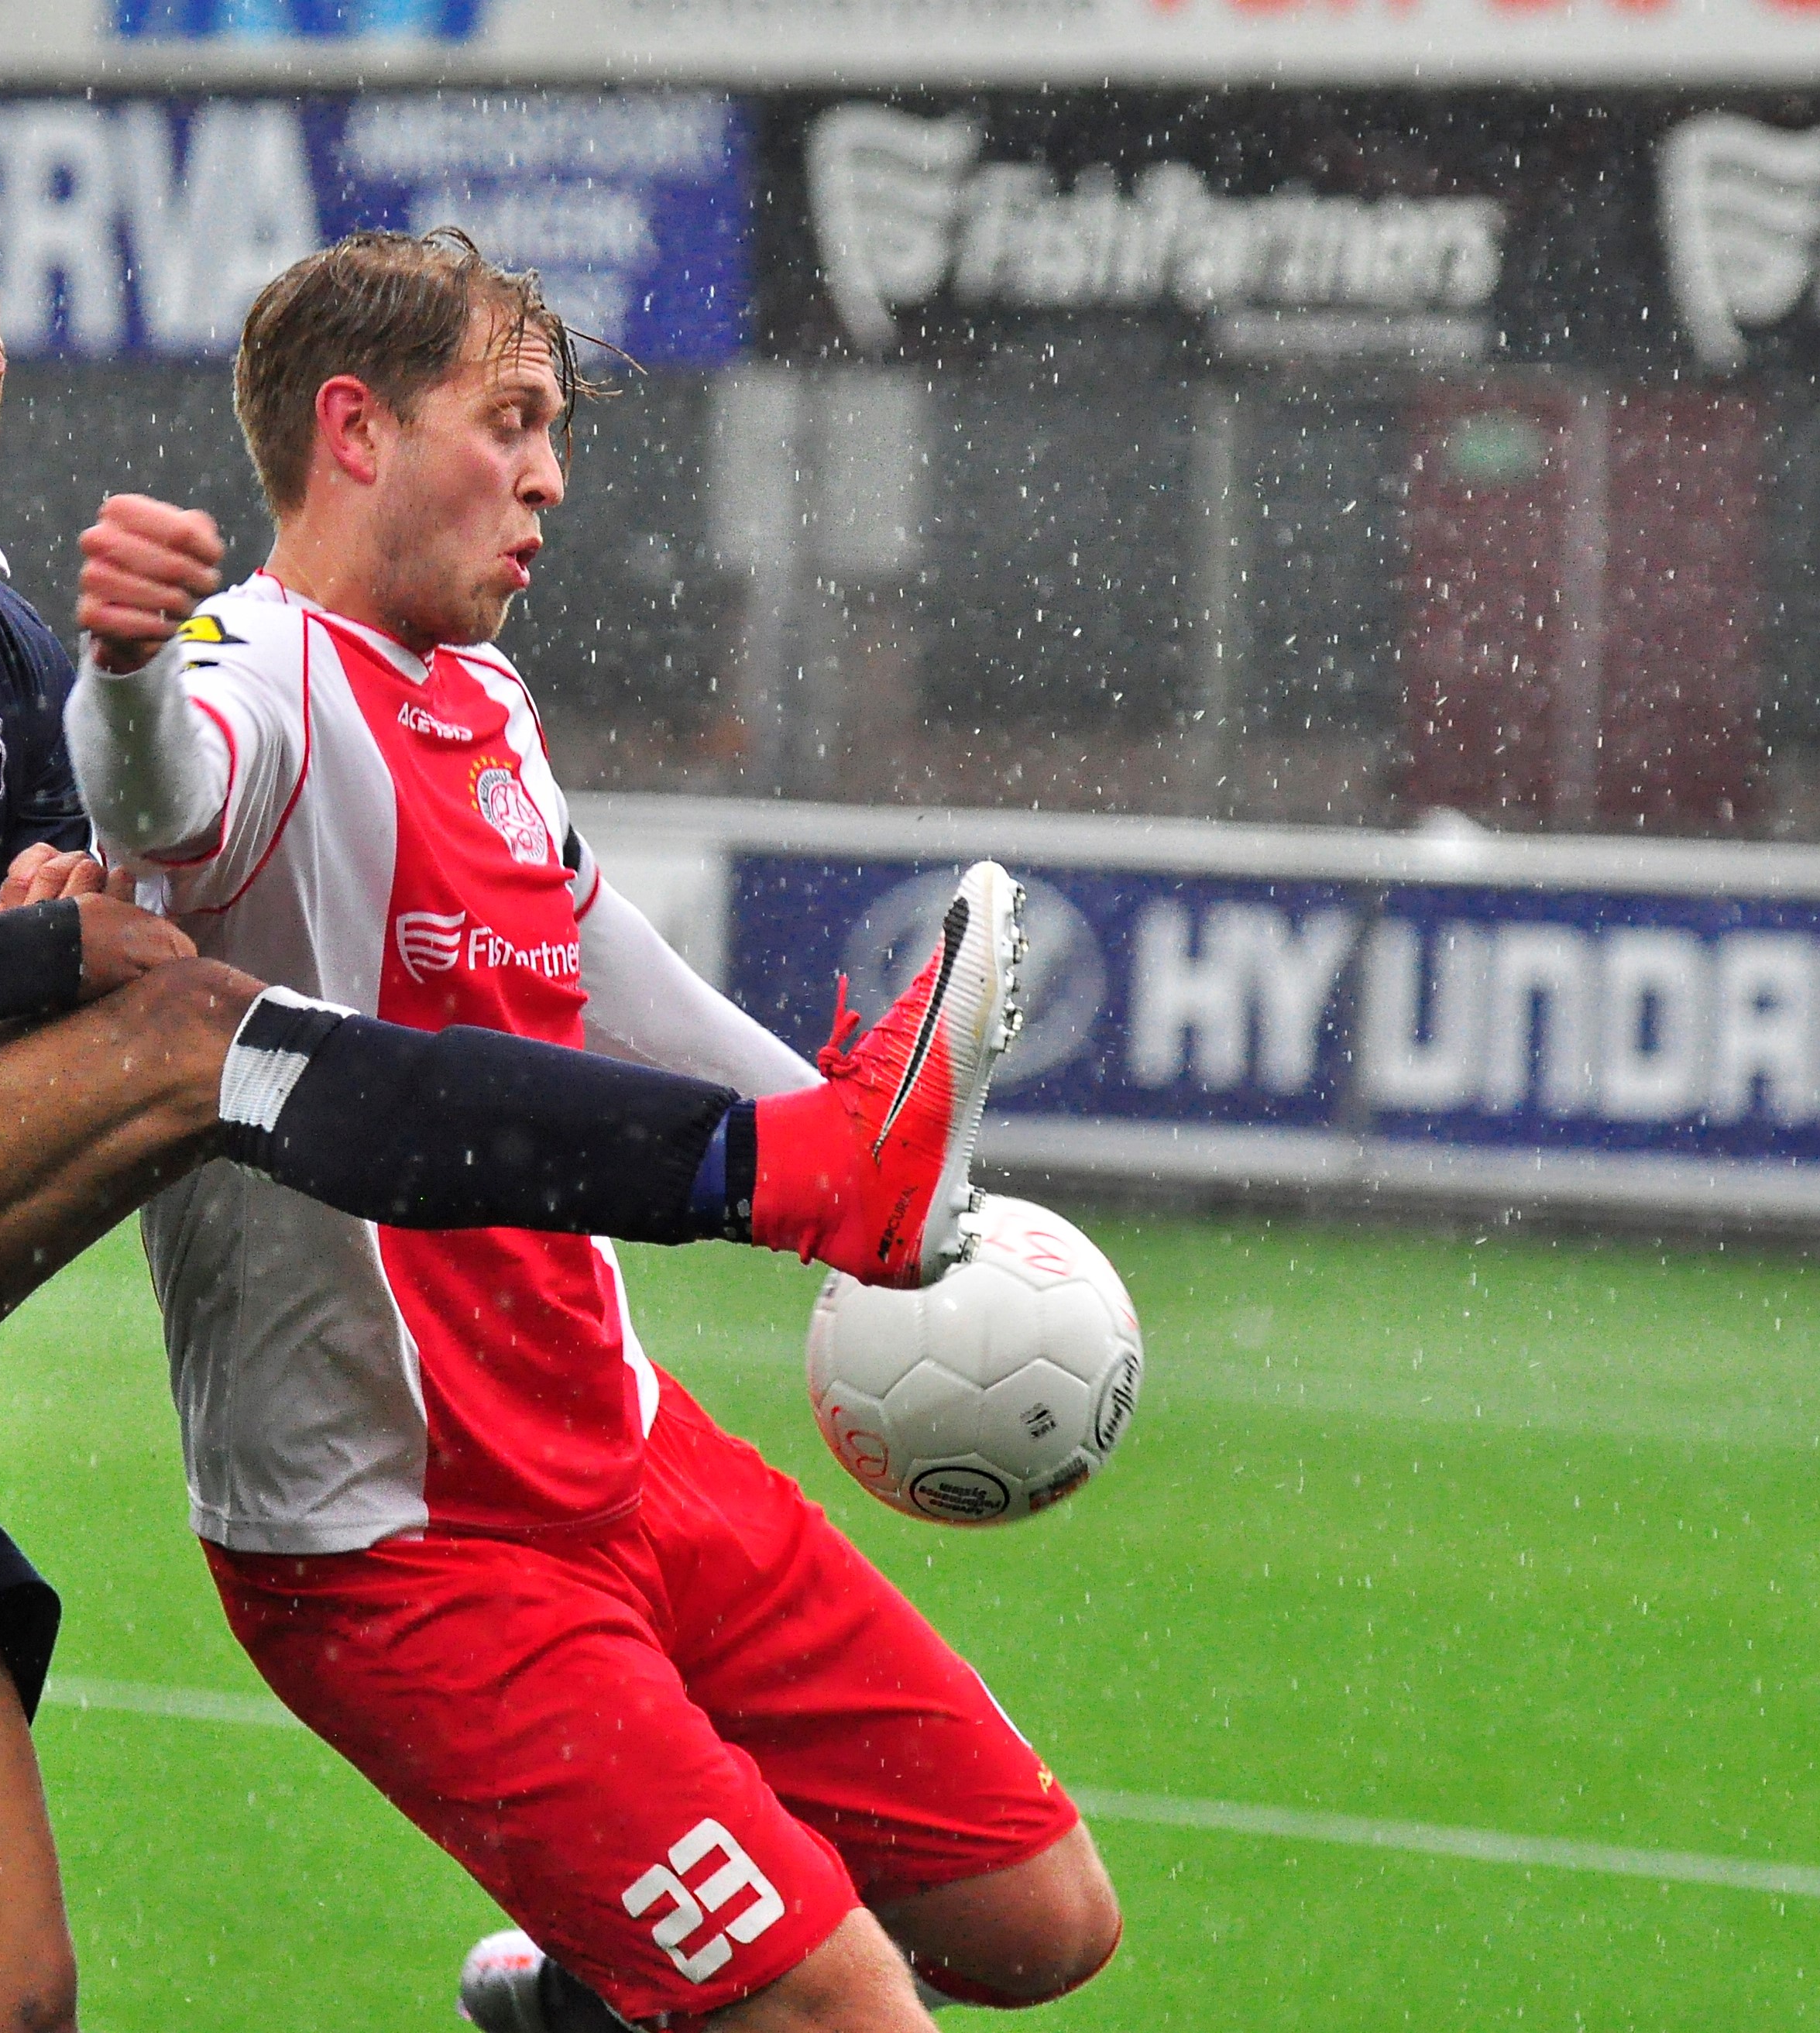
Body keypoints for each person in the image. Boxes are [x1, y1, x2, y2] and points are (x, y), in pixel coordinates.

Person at [0, 109, 1059, 2033]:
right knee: (193, 1041)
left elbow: (120, 860)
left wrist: (50, 906)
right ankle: (782, 1173)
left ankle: (808, 1172)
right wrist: (38, 939)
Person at [66, 228, 1124, 2033]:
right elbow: (164, 792)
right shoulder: (252, 673)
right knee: (851, 2015)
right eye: (513, 419)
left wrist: (837, 1132)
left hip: (628, 1456)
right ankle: (657, 1968)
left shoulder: (481, 699)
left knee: (1038, 1920)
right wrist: (125, 667)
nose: (550, 472)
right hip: (404, 1549)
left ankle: (580, 1988)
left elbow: (588, 944)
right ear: (356, 428)